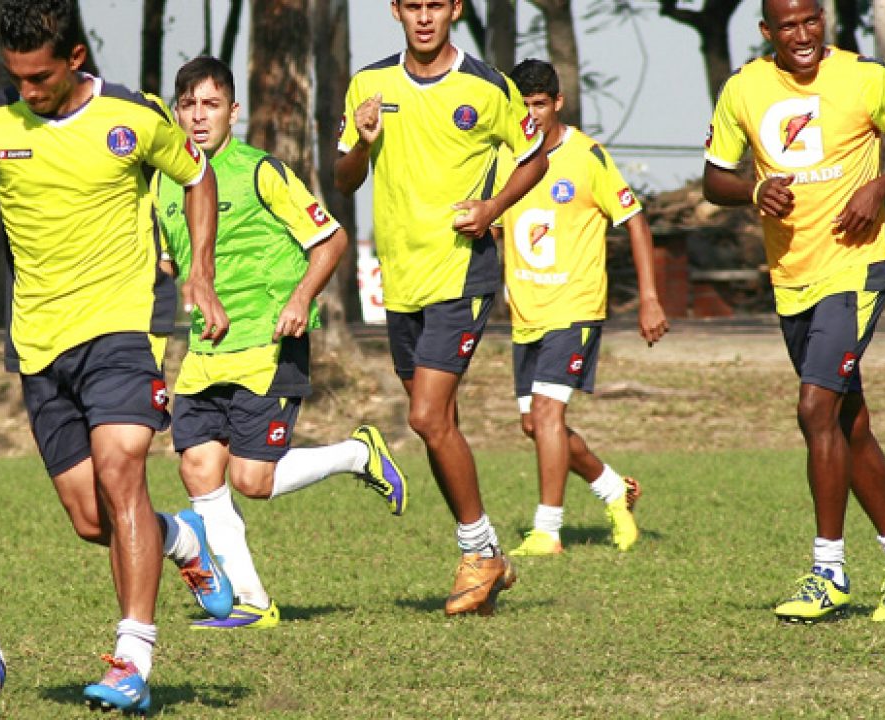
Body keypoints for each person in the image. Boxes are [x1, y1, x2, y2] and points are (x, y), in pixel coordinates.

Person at [0, 0, 234, 712]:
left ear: (75, 58)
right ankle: (180, 538)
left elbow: (198, 177)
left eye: (38, 77)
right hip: (40, 344)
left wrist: (200, 271)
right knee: (91, 518)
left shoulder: (132, 116)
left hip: (124, 325)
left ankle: (132, 660)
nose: (27, 90)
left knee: (121, 471)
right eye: (15, 77)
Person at [702, 0, 885, 622]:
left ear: (822, 20)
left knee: (814, 409)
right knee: (847, 424)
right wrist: (754, 188)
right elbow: (713, 179)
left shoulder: (865, 76)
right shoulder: (744, 88)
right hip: (791, 278)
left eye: (811, 20)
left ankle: (828, 571)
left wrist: (878, 186)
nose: (802, 34)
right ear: (767, 31)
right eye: (788, 25)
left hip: (855, 270)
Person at [154, 56, 409, 630]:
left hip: (269, 343)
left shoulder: (260, 171)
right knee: (198, 468)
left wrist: (300, 299)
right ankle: (252, 602)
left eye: (211, 105)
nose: (199, 117)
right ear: (176, 113)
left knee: (252, 480)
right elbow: (172, 265)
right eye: (188, 105)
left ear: (234, 112)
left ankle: (358, 454)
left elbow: (331, 240)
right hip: (204, 352)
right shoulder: (164, 182)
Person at [334, 0, 549, 617]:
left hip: (461, 272)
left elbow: (534, 157)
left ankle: (476, 552)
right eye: (413, 6)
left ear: (455, 8)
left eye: (436, 5)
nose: (424, 17)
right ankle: (489, 557)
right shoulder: (369, 84)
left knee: (427, 417)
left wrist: (493, 207)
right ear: (396, 10)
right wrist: (362, 144)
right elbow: (345, 178)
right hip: (400, 279)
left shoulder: (488, 86)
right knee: (437, 422)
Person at [495, 59, 669, 557]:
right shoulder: (505, 157)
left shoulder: (587, 156)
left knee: (548, 412)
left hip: (575, 307)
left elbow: (635, 222)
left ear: (558, 102)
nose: (531, 115)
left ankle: (547, 530)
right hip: (525, 312)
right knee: (535, 425)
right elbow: (493, 227)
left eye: (539, 104)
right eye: (523, 106)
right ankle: (614, 490)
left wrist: (649, 299)